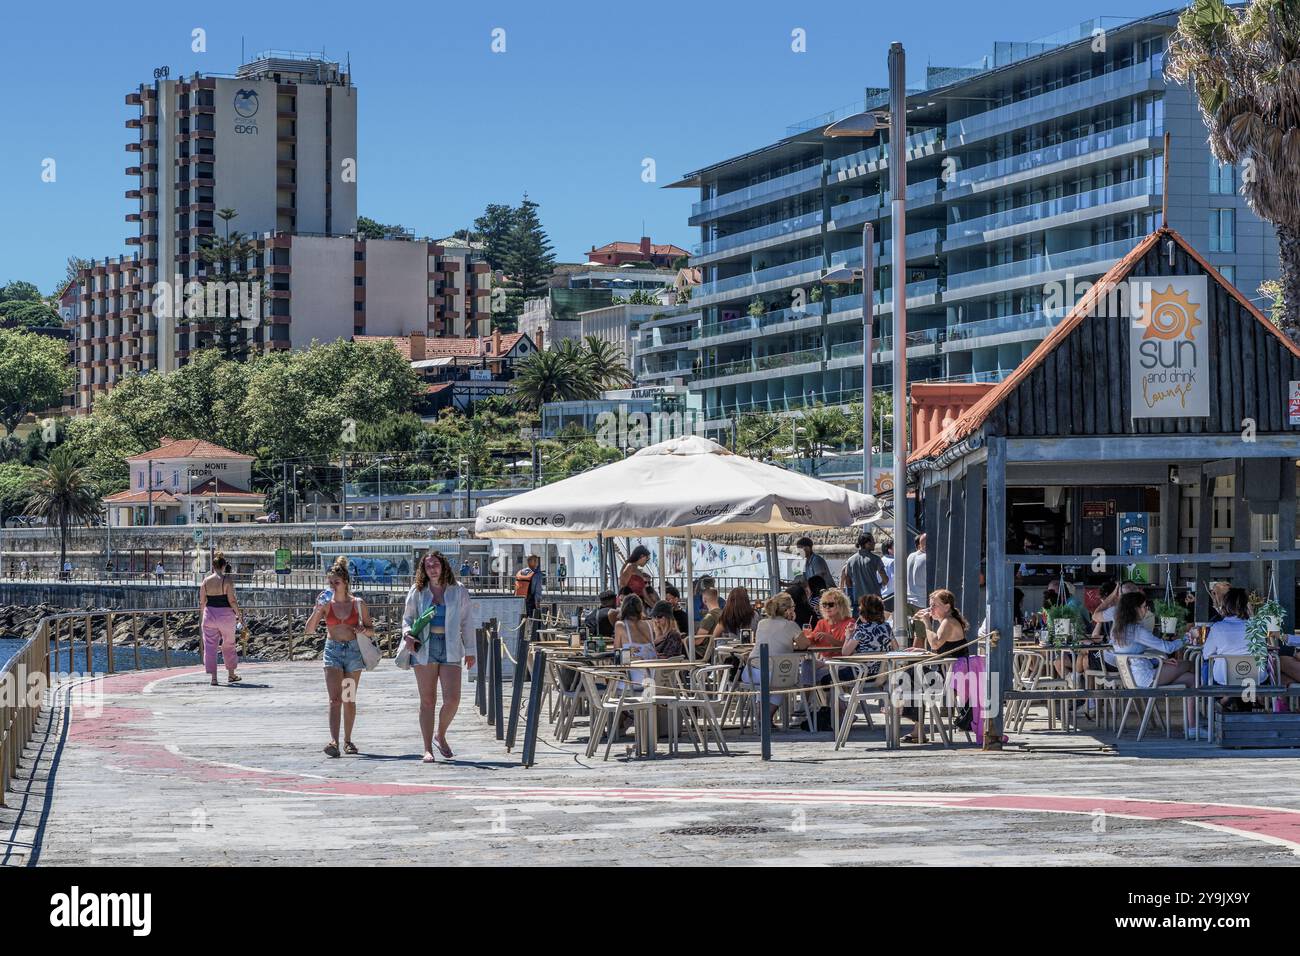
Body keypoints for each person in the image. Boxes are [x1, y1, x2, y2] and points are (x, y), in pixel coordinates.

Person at [401, 549, 477, 763]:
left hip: (451, 645)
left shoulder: (458, 590)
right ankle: (427, 749)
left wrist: (470, 650)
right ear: (423, 570)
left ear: (443, 565)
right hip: (424, 646)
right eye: (428, 566)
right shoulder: (418, 591)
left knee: (452, 699)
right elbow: (407, 618)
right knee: (428, 700)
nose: (432, 569)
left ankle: (440, 734)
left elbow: (467, 622)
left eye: (435, 564)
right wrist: (407, 635)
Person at [307, 556, 379, 758]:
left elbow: (371, 630)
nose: (332, 586)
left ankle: (348, 740)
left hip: (353, 653)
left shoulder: (358, 603)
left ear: (345, 582)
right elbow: (309, 630)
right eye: (329, 582)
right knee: (334, 699)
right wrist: (317, 610)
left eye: (335, 583)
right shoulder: (326, 605)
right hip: (333, 651)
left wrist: (362, 629)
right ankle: (334, 741)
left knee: (349, 698)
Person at [903, 589, 971, 742]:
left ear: (947, 607)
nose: (931, 609)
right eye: (930, 605)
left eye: (935, 605)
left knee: (913, 674)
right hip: (947, 672)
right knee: (914, 675)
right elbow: (943, 651)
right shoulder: (946, 621)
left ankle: (902, 711)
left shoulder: (949, 622)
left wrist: (926, 623)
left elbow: (935, 644)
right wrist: (921, 650)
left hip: (953, 678)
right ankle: (916, 727)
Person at [1108, 591, 1193, 689]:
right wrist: (1188, 637)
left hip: (1131, 679)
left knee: (1191, 678)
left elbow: (1133, 657)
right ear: (1135, 609)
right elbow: (1168, 648)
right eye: (1144, 607)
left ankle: (1196, 702)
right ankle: (1208, 696)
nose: (1146, 610)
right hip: (1145, 678)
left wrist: (1159, 661)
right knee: (1189, 664)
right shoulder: (1137, 630)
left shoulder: (1117, 630)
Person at [746, 593, 805, 725]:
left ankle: (762, 718)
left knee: (766, 684)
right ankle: (765, 719)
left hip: (751, 671)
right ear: (788, 609)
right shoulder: (791, 625)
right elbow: (804, 645)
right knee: (781, 682)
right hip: (775, 674)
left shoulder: (762, 623)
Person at [198, 551, 245, 687]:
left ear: (213, 566)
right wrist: (239, 616)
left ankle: (214, 678)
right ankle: (231, 675)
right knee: (229, 644)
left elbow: (202, 602)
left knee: (210, 647)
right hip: (226, 617)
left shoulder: (205, 581)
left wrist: (203, 616)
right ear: (223, 566)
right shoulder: (227, 581)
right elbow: (232, 601)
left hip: (209, 616)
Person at [1201, 587, 1264, 687]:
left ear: (1225, 606)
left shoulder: (1217, 627)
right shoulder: (1256, 627)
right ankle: (1259, 697)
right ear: (1247, 606)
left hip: (1224, 677)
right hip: (1255, 676)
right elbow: (1263, 651)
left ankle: (1217, 698)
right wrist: (1252, 617)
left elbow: (1206, 654)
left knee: (1206, 663)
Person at [843, 594, 898, 678]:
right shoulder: (886, 627)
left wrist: (848, 636)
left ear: (863, 613)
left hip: (861, 674)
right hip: (883, 674)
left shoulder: (861, 630)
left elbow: (845, 653)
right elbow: (896, 649)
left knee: (827, 677)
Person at [613, 594, 657, 688]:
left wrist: (631, 656)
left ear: (623, 608)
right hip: (654, 680)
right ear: (640, 608)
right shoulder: (649, 624)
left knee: (611, 685)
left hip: (634, 682)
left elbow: (617, 657)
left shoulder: (620, 626)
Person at [840, 534, 889, 604]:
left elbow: (848, 582)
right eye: (873, 541)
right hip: (874, 599)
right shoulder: (876, 559)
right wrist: (879, 586)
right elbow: (885, 579)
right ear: (867, 544)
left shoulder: (850, 561)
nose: (875, 543)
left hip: (858, 600)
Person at [905, 534, 927, 616]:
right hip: (921, 603)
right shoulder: (926, 558)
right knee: (921, 629)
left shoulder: (911, 556)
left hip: (908, 600)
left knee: (910, 628)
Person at [522, 554, 544, 629]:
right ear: (533, 562)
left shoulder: (522, 572)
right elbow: (538, 589)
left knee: (523, 621)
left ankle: (522, 637)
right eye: (536, 561)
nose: (537, 563)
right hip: (532, 600)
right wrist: (538, 601)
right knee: (535, 621)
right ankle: (534, 637)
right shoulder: (537, 574)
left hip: (522, 600)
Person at [880, 539, 896, 610]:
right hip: (892, 595)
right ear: (889, 550)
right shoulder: (893, 562)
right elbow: (894, 579)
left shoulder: (881, 560)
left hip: (882, 595)